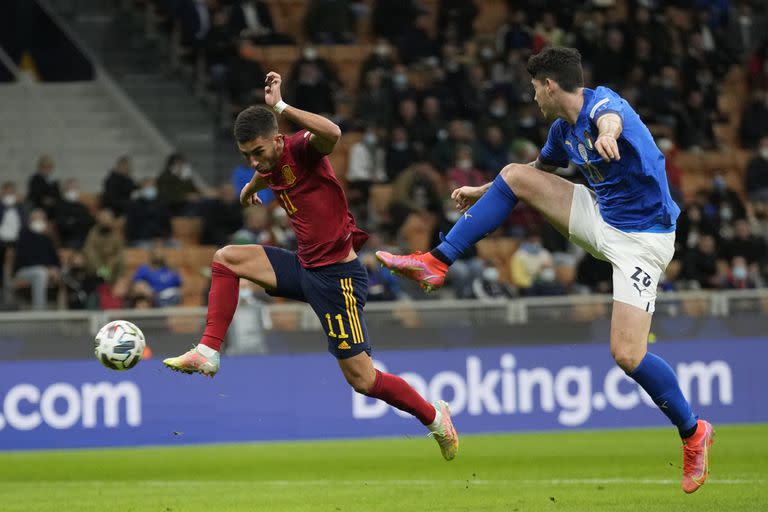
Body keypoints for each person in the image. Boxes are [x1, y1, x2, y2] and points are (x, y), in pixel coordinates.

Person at [376, 47, 712, 490]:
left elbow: (611, 121)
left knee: (628, 354)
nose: (533, 96)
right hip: (600, 215)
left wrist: (609, 134)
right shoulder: (561, 129)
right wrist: (485, 188)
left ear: (550, 84)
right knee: (515, 174)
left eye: (535, 87)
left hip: (643, 240)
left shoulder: (604, 106)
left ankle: (694, 433)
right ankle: (435, 262)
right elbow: (538, 169)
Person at [162, 71, 459, 461]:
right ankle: (209, 350)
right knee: (226, 259)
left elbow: (333, 133)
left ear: (277, 137)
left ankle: (435, 419)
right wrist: (253, 185)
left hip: (338, 279)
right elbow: (268, 171)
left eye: (258, 151)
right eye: (247, 155)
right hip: (305, 267)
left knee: (363, 381)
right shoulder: (267, 164)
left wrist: (281, 106)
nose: (255, 160)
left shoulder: (302, 148)